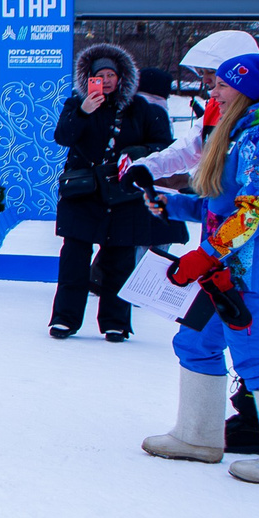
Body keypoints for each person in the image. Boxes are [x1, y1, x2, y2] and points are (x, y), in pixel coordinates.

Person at [139, 53, 259, 489]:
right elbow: (222, 208)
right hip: (223, 270)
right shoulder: (244, 132)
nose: (212, 92)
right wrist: (172, 202)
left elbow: (256, 210)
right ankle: (197, 437)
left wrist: (208, 255)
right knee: (195, 341)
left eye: (221, 84)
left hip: (248, 275)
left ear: (246, 88)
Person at [49, 43, 177, 342]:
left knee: (120, 260)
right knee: (74, 260)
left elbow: (164, 146)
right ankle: (64, 320)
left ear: (122, 77)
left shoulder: (142, 108)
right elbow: (63, 137)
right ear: (88, 78)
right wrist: (83, 111)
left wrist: (138, 152)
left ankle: (115, 322)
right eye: (99, 75)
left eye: (111, 75)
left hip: (123, 195)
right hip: (82, 193)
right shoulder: (75, 104)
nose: (105, 81)